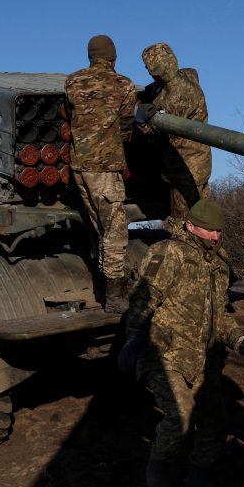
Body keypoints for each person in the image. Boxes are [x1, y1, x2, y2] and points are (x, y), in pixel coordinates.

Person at [117, 198, 244, 487]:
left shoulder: (217, 264)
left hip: (205, 360)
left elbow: (221, 317)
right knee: (181, 418)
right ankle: (158, 469)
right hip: (167, 355)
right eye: (209, 231)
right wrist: (134, 338)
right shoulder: (168, 253)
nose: (215, 237)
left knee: (215, 424)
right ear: (190, 225)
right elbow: (143, 299)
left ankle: (198, 477)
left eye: (219, 231)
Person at [64, 34, 137, 313]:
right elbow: (127, 124)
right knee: (116, 230)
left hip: (80, 167)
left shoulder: (72, 81)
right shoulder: (124, 85)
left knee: (99, 226)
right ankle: (116, 295)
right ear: (113, 57)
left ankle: (103, 278)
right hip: (106, 167)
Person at [135, 42, 212, 224]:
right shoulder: (184, 78)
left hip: (185, 168)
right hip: (196, 163)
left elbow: (156, 131)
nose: (148, 72)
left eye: (150, 67)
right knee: (203, 223)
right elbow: (187, 74)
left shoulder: (179, 95)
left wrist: (139, 118)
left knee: (184, 224)